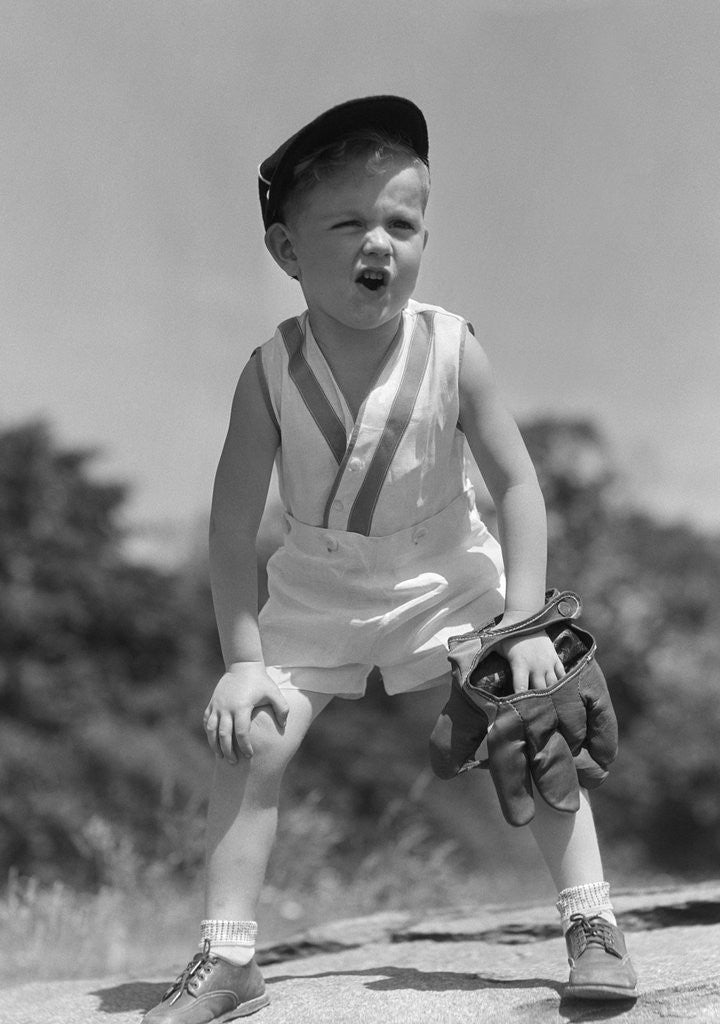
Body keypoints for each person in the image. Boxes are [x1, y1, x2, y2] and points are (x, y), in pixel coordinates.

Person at [142, 95, 637, 1022]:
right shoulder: (269, 374)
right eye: (349, 223)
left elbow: (519, 487)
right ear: (288, 252)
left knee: (535, 719)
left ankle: (591, 922)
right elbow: (229, 524)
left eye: (402, 223)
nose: (382, 243)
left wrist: (525, 624)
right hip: (318, 583)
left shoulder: (453, 347)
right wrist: (243, 661)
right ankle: (229, 956)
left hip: (446, 573)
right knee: (251, 740)